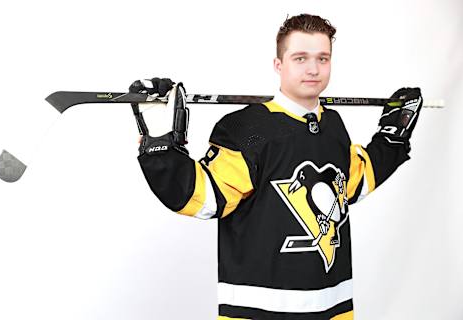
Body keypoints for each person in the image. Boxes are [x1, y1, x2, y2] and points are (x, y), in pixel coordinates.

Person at [130, 13, 423, 320]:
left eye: (323, 58)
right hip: (259, 313)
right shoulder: (247, 128)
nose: (313, 69)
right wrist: (160, 148)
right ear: (278, 65)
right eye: (300, 58)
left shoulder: (333, 125)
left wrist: (392, 139)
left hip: (333, 310)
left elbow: (351, 182)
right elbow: (206, 196)